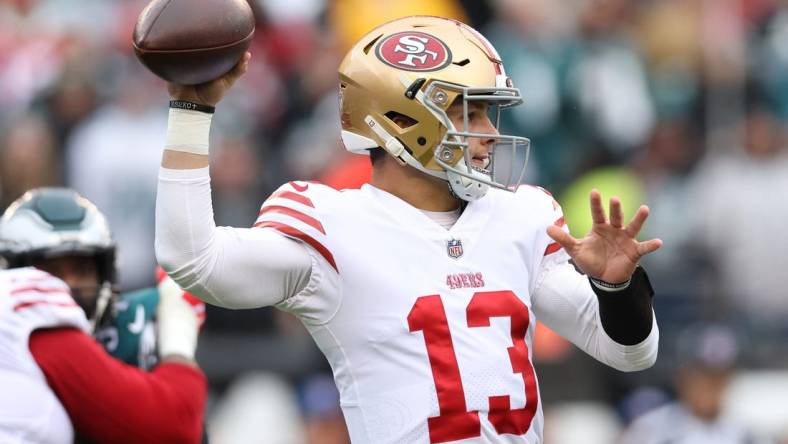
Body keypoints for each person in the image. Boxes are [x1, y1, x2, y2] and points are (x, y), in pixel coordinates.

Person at [155, 16, 662, 443]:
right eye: (472, 112)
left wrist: (616, 287)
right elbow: (195, 261)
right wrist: (192, 110)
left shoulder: (521, 215)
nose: (490, 134)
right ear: (402, 119)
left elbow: (629, 352)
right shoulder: (333, 224)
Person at [0, 187, 206, 443]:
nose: (69, 285)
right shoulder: (28, 318)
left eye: (82, 268)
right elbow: (178, 423)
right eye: (51, 270)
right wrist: (178, 334)